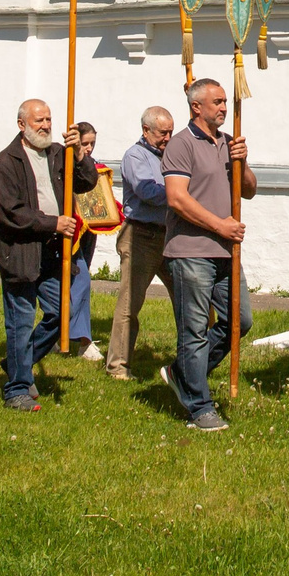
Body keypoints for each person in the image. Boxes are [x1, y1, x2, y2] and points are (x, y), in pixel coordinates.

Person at [160, 78, 258, 433]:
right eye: (216, 102)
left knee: (240, 322)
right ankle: (199, 406)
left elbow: (247, 191)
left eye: (224, 102)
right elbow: (177, 198)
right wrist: (220, 226)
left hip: (225, 253)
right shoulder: (181, 145)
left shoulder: (229, 143)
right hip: (191, 252)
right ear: (196, 107)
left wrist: (242, 163)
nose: (223, 107)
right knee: (194, 330)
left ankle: (183, 374)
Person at [0, 98, 94, 410]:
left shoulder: (58, 154)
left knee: (63, 312)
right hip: (21, 252)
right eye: (39, 121)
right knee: (21, 319)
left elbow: (86, 182)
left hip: (54, 251)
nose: (46, 126)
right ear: (22, 125)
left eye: (48, 119)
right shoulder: (6, 163)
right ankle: (16, 389)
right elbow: (10, 212)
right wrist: (53, 223)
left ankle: (20, 363)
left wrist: (80, 153)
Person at [107, 107, 175, 380]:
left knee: (192, 300)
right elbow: (147, 191)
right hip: (141, 237)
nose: (168, 137)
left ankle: (193, 363)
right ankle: (118, 366)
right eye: (162, 133)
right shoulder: (135, 156)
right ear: (146, 131)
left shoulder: (171, 154)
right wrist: (181, 193)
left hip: (171, 236)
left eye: (171, 131)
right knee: (129, 304)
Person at [68, 121, 115, 362]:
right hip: (70, 232)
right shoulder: (66, 165)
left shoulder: (94, 167)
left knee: (76, 281)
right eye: (84, 144)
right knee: (81, 280)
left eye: (92, 144)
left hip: (89, 230)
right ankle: (83, 341)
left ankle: (61, 336)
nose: (88, 149)